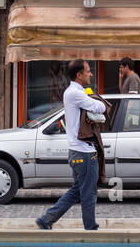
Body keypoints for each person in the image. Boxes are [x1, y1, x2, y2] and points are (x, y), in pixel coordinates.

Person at [36, 59, 106, 231]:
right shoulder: (75, 93)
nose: (91, 74)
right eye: (88, 71)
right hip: (84, 153)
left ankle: (46, 219)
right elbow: (101, 107)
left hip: (78, 152)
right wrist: (97, 100)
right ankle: (90, 228)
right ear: (79, 75)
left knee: (77, 190)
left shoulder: (76, 92)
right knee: (88, 193)